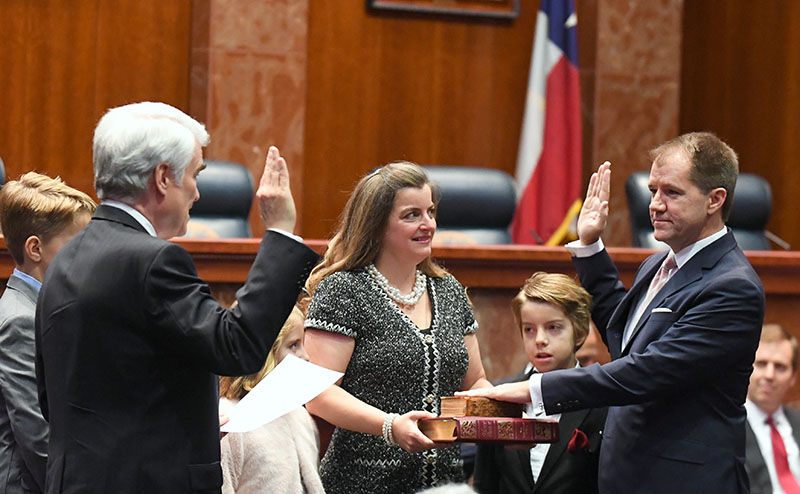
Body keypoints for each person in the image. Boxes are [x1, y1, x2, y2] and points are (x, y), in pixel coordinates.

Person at [35, 101, 319, 493]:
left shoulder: (70, 255)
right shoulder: (153, 261)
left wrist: (187, 425)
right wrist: (281, 233)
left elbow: (62, 399)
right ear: (163, 177)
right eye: (194, 175)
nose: (198, 193)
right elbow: (237, 347)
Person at [460, 132, 766, 493]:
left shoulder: (732, 286)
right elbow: (625, 340)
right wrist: (589, 246)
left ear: (715, 200)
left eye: (672, 192)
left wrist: (536, 387)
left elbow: (646, 371)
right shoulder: (656, 266)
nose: (655, 204)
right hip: (630, 476)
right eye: (653, 191)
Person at [303, 162, 492, 494]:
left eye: (431, 212)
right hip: (363, 482)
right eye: (412, 215)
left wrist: (500, 423)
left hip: (444, 483)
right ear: (376, 225)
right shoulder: (344, 290)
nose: (428, 225)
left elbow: (475, 381)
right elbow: (317, 395)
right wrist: (389, 426)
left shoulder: (448, 289)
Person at [0, 173, 95, 494]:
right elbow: (38, 438)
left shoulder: (46, 310)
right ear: (35, 248)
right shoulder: (20, 320)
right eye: (78, 244)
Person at [472, 272, 606, 494]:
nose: (540, 340)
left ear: (580, 333)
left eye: (553, 327)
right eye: (529, 329)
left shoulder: (601, 403)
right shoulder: (500, 396)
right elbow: (485, 482)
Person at [219, 306, 324, 494]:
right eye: (294, 345)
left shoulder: (300, 416)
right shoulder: (229, 423)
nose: (306, 356)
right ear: (264, 353)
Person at [744, 323, 800, 494]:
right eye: (761, 364)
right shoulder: (725, 427)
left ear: (793, 377)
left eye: (780, 367)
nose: (769, 375)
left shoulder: (798, 421)